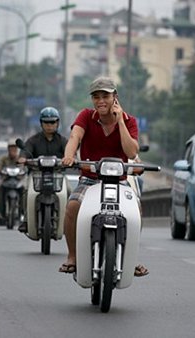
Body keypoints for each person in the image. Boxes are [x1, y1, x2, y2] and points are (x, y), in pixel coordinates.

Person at [59, 76, 149, 277]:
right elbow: (75, 137)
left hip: (120, 182)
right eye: (96, 97)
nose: (101, 101)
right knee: (73, 206)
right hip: (89, 179)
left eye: (105, 96)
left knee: (136, 210)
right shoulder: (85, 116)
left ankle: (129, 258)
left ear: (115, 97)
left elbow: (132, 152)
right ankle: (72, 256)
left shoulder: (129, 120)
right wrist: (69, 155)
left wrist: (120, 123)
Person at [17, 107, 68, 233]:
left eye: (52, 122)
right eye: (46, 122)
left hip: (57, 175)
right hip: (36, 175)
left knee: (70, 192)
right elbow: (25, 151)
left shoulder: (63, 141)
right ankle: (26, 219)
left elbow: (70, 153)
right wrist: (23, 158)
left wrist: (71, 159)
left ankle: (68, 221)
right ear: (41, 123)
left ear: (57, 123)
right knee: (26, 190)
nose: (50, 125)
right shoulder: (33, 140)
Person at [0, 139, 21, 220]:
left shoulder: (20, 158)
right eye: (11, 147)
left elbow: (24, 167)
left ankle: (24, 209)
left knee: (25, 190)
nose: (13, 149)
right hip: (6, 179)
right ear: (8, 149)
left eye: (14, 148)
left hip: (18, 180)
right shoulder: (3, 158)